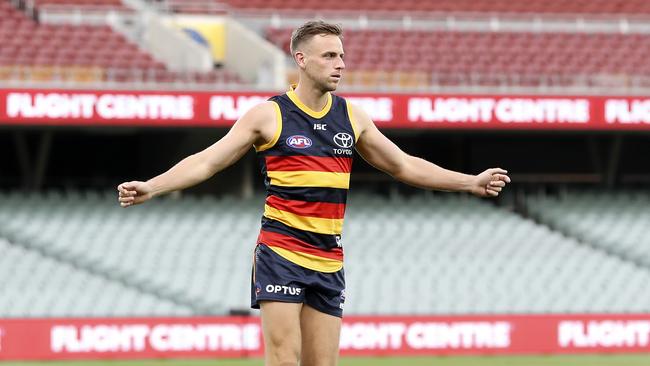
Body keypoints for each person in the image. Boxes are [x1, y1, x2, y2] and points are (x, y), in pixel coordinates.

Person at [117, 20, 510, 366]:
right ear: (302, 61)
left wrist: (470, 181)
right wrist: (153, 186)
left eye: (341, 55)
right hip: (281, 253)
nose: (340, 64)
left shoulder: (351, 117)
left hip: (328, 259)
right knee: (285, 360)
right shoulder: (268, 115)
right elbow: (207, 161)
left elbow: (403, 165)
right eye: (329, 56)